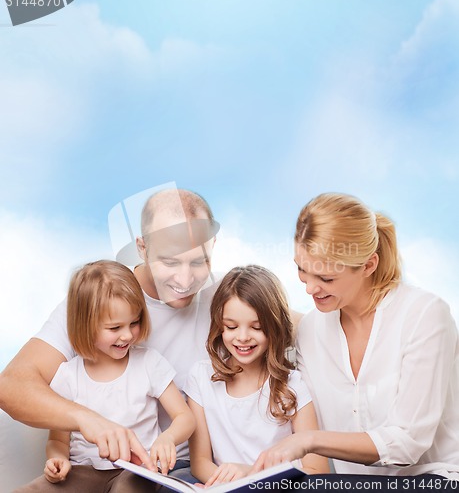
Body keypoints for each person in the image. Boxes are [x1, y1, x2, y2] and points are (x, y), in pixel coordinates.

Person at [0, 188, 219, 480]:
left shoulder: (224, 300)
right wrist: (86, 419)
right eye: (169, 262)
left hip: (171, 471)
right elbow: (11, 387)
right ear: (142, 248)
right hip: (94, 469)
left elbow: (288, 321)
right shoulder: (98, 300)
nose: (185, 279)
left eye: (198, 261)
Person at [252, 193, 459, 481]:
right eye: (302, 270)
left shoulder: (425, 316)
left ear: (368, 265)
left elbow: (407, 444)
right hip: (353, 484)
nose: (310, 288)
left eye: (326, 278)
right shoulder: (312, 329)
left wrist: (309, 440)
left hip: (430, 479)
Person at [15, 260, 195, 493]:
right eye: (114, 328)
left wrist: (168, 438)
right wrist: (57, 460)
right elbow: (58, 440)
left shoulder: (149, 362)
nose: (127, 335)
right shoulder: (69, 375)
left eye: (135, 322)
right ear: (86, 325)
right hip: (83, 471)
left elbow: (185, 417)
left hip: (138, 470)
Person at [185, 265, 329, 487]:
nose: (243, 337)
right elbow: (200, 462)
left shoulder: (293, 385)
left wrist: (251, 476)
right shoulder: (201, 377)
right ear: (219, 326)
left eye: (257, 327)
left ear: (274, 327)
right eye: (231, 327)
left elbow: (317, 471)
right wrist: (221, 485)